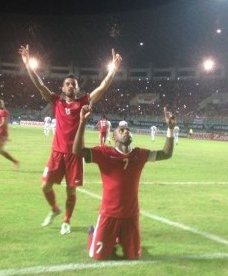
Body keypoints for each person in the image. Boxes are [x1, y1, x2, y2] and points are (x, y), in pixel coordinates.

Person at [19, 44, 122, 235]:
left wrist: (114, 70)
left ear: (78, 88)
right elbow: (39, 84)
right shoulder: (56, 101)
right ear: (63, 87)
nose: (70, 86)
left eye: (74, 84)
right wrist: (27, 64)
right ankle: (55, 209)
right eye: (67, 83)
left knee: (71, 191)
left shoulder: (85, 102)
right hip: (57, 152)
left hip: (75, 154)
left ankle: (66, 220)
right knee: (45, 186)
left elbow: (103, 87)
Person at [73, 106, 176, 260]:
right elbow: (77, 152)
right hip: (109, 215)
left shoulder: (139, 154)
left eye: (127, 130)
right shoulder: (104, 153)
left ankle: (117, 238)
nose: (126, 131)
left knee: (134, 256)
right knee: (98, 256)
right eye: (121, 130)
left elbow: (166, 154)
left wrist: (170, 129)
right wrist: (81, 123)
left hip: (131, 215)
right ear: (114, 137)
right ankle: (92, 233)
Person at [0, 99, 19, 170]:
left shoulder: (3, 112)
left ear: (3, 104)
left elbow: (3, 123)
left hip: (2, 133)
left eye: (0, 103)